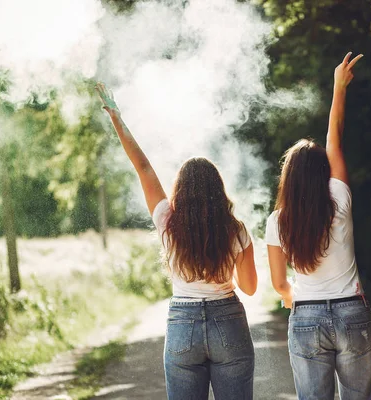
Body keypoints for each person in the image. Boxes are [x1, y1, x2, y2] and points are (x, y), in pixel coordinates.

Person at [95, 83, 258, 400]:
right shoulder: (235, 229)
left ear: (180, 190)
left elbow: (142, 167)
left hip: (183, 325)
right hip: (229, 319)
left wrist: (117, 117)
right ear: (217, 190)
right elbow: (250, 288)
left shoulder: (167, 222)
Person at [265, 52, 371, 400]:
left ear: (289, 178)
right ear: (323, 172)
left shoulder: (278, 221)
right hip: (351, 313)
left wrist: (288, 296)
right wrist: (338, 87)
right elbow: (335, 140)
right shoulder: (338, 198)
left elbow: (280, 283)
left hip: (307, 316)